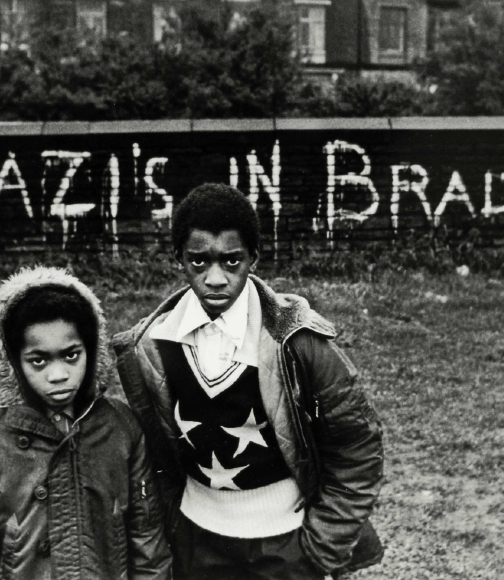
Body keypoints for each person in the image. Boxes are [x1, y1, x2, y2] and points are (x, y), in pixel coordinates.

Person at [112, 184, 385, 580]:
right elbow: (152, 459)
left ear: (254, 257)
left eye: (232, 260)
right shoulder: (150, 347)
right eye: (199, 261)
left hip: (286, 542)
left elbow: (358, 443)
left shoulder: (296, 341)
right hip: (195, 541)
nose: (216, 278)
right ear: (179, 259)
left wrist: (324, 544)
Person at [0, 266, 172, 580]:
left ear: (91, 349)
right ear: (12, 359)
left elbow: (148, 545)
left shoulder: (122, 430)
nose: (58, 375)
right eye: (39, 360)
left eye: (71, 355)